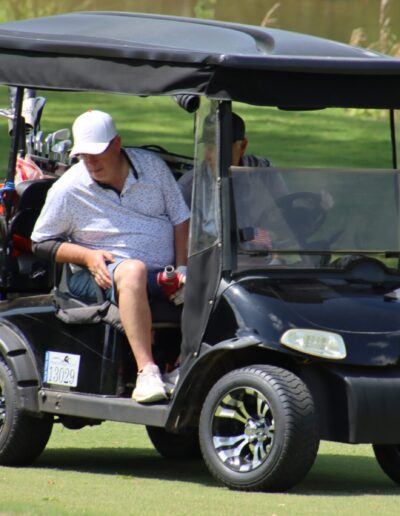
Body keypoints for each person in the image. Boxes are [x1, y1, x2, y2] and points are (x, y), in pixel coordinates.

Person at [31, 110, 190, 403]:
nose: (90, 162)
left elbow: (181, 218)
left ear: (117, 144)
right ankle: (147, 372)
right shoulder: (68, 188)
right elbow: (40, 242)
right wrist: (87, 256)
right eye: (83, 155)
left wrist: (183, 267)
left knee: (215, 268)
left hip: (163, 272)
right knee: (133, 270)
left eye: (96, 153)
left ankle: (183, 365)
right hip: (99, 275)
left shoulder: (152, 167)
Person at [178, 112, 287, 207]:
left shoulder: (263, 171)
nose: (208, 156)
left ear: (242, 146)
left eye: (217, 147)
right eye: (206, 147)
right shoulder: (190, 187)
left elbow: (285, 209)